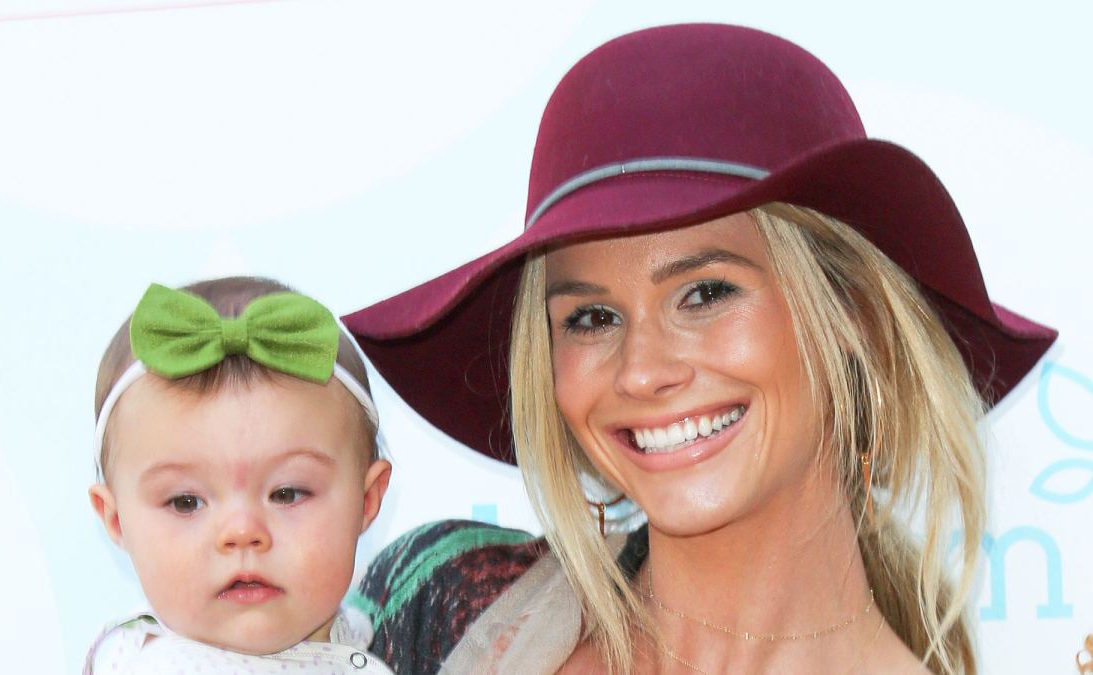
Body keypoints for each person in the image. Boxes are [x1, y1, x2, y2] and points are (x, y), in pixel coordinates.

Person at [343, 24, 1058, 674]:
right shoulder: (431, 604)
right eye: (592, 316)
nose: (644, 370)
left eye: (706, 293)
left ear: (854, 316)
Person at [85, 277, 394, 674]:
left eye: (287, 493)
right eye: (186, 502)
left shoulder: (367, 629)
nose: (242, 532)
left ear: (366, 500)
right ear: (116, 519)